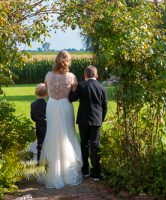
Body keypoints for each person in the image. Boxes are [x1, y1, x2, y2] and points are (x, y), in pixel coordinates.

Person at [38, 50, 82, 189]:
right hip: (65, 106)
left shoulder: (48, 75)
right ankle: (67, 172)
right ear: (67, 61)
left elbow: (46, 90)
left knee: (53, 135)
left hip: (51, 105)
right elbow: (75, 93)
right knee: (67, 135)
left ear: (56, 60)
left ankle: (54, 171)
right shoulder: (71, 77)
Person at [69, 65, 108, 181]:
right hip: (97, 120)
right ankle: (96, 173)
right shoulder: (102, 87)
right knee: (95, 145)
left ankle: (85, 170)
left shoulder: (81, 85)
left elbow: (71, 98)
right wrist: (101, 119)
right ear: (96, 75)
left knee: (84, 144)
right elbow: (105, 106)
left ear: (85, 75)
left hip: (83, 120)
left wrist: (72, 89)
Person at [30, 83, 47, 163]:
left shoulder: (33, 104)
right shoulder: (47, 104)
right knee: (47, 142)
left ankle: (39, 160)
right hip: (46, 125)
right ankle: (47, 159)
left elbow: (32, 116)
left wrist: (37, 120)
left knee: (39, 143)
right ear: (46, 93)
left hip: (38, 125)